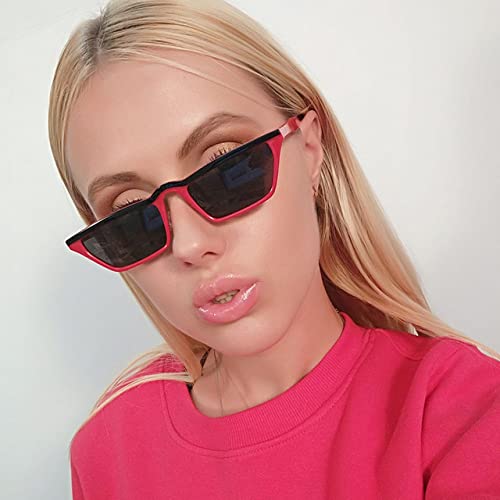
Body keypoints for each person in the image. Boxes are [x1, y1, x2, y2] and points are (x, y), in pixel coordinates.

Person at [47, 0, 500, 498]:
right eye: (132, 215)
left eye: (227, 169)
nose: (191, 245)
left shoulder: (464, 413)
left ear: (310, 149)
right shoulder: (107, 450)